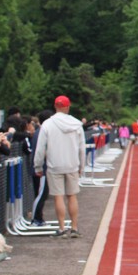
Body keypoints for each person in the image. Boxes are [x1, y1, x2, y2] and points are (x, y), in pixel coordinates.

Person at [33, 95, 86, 238]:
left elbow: (40, 148)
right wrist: (82, 166)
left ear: (55, 106)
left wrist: (38, 166)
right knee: (72, 196)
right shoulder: (76, 124)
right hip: (72, 164)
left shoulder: (48, 124)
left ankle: (62, 228)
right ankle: (74, 227)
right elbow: (82, 148)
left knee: (58, 197)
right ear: (68, 107)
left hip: (54, 164)